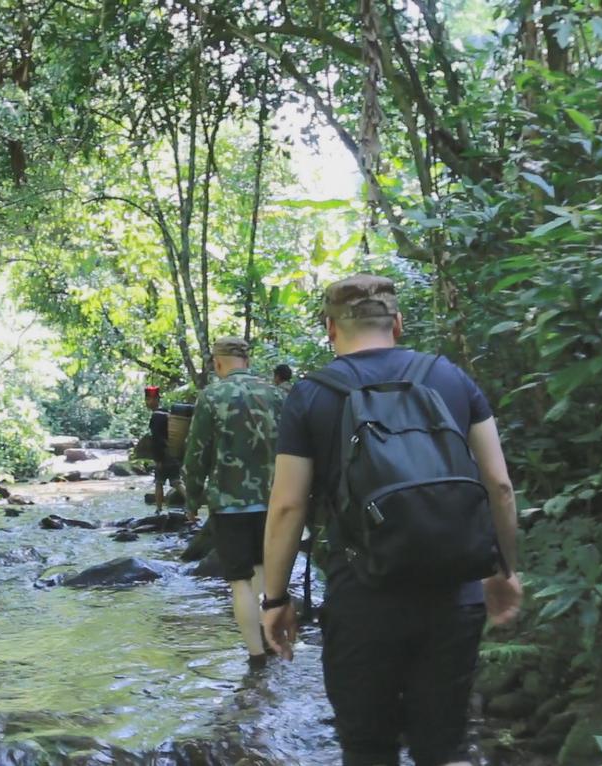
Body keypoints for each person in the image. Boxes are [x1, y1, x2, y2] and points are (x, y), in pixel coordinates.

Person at [261, 274, 523, 766]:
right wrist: (504, 569)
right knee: (442, 746)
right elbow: (499, 485)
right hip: (453, 591)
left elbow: (288, 506)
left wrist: (275, 599)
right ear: (398, 322)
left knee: (366, 747)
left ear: (329, 328)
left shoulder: (311, 396)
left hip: (362, 597)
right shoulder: (451, 378)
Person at [182, 336, 287, 668]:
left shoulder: (211, 396)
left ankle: (256, 656)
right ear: (247, 360)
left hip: (230, 502)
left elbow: (197, 453)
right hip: (275, 501)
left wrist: (191, 499)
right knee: (263, 573)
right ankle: (272, 643)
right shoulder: (276, 395)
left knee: (239, 580)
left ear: (217, 363)